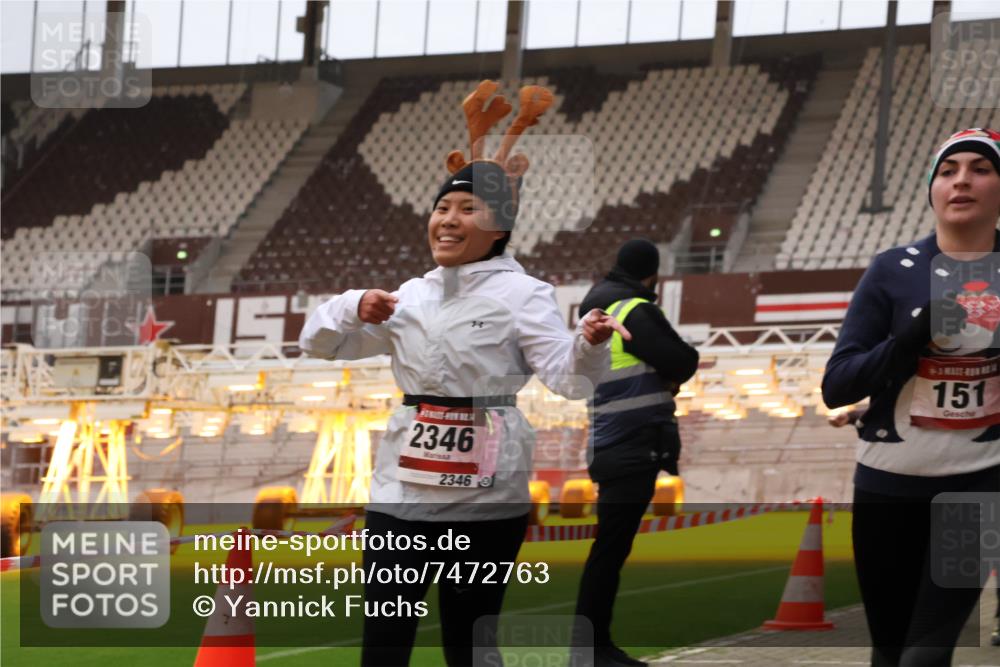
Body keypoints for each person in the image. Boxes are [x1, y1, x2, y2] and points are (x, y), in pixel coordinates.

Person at [299, 80, 630, 667]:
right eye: (442, 208)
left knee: (469, 641)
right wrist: (351, 305)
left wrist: (588, 342)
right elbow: (317, 345)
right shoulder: (408, 295)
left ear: (500, 227)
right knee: (384, 640)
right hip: (400, 492)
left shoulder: (525, 295)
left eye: (467, 210)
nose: (448, 221)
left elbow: (570, 381)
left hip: (487, 498)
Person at [822, 128, 1000, 666]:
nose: (961, 180)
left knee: (925, 653)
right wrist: (910, 339)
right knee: (890, 650)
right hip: (887, 483)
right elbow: (838, 384)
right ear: (932, 189)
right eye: (948, 171)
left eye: (980, 169)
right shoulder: (892, 270)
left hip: (979, 486)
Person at [571, 239, 700, 667]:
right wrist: (669, 375)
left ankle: (592, 646)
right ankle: (591, 648)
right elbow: (683, 360)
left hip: (611, 439)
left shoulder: (597, 307)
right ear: (652, 275)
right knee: (610, 550)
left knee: (609, 548)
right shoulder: (632, 309)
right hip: (632, 442)